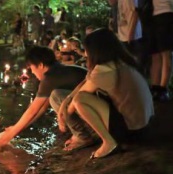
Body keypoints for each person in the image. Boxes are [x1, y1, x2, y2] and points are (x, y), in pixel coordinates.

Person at [59, 28, 154, 158]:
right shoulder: (122, 61)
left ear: (97, 50)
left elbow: (78, 98)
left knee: (80, 100)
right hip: (145, 126)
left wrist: (64, 115)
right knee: (81, 98)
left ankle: (109, 143)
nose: (85, 53)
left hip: (131, 132)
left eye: (87, 49)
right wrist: (66, 100)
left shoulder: (104, 69)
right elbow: (86, 82)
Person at [0, 46, 87, 149]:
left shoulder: (49, 78)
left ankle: (82, 136)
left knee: (55, 97)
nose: (33, 73)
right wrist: (16, 129)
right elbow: (42, 108)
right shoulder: (57, 69)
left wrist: (7, 137)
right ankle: (81, 132)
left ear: (41, 65)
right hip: (92, 103)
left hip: (93, 103)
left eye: (32, 68)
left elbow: (32, 110)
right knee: (55, 97)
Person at [147, 0, 173, 101]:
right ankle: (155, 87)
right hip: (155, 12)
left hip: (170, 11)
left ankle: (163, 89)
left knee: (167, 51)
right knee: (155, 53)